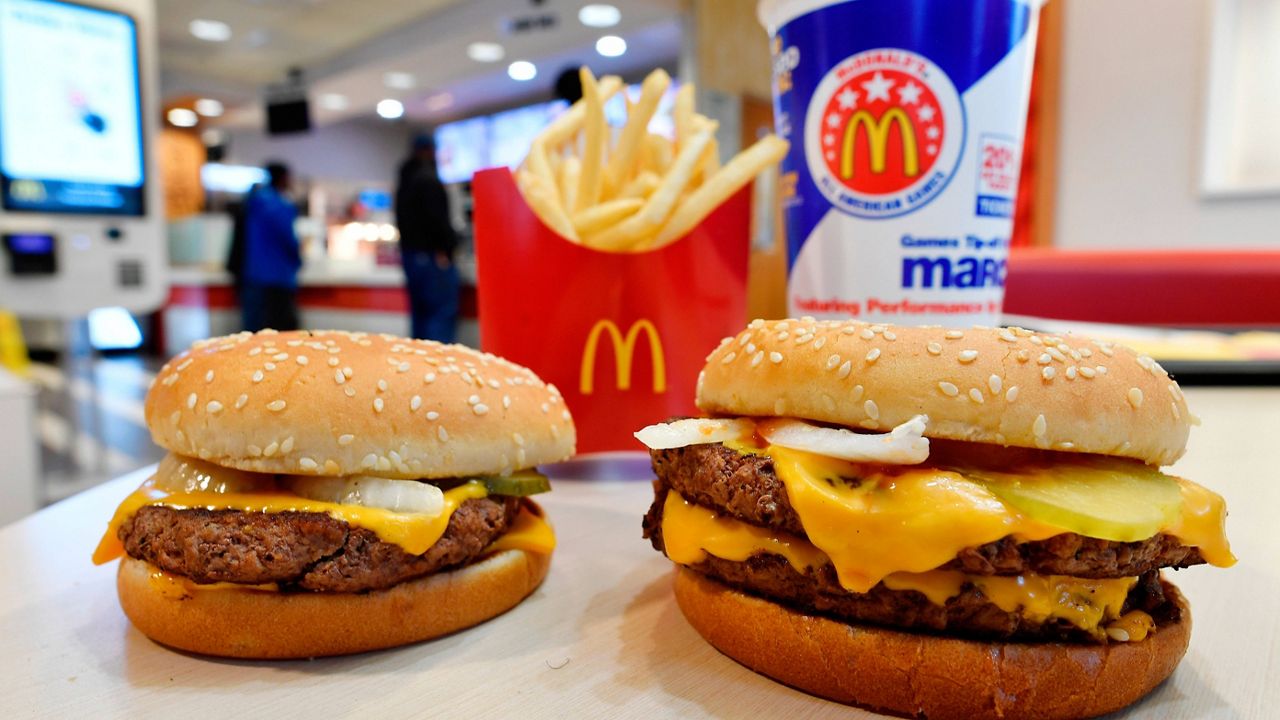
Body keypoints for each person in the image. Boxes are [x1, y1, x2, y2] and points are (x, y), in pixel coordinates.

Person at [395, 134, 459, 342]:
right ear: (430, 150)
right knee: (439, 318)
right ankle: (436, 372)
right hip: (432, 259)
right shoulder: (429, 179)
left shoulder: (404, 180)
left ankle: (418, 371)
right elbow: (438, 222)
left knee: (420, 320)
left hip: (410, 257)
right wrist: (450, 246)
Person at [240, 162, 302, 331]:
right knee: (281, 332)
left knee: (255, 331)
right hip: (279, 275)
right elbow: (288, 239)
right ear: (283, 178)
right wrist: (298, 259)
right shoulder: (280, 205)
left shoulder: (254, 201)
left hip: (254, 273)